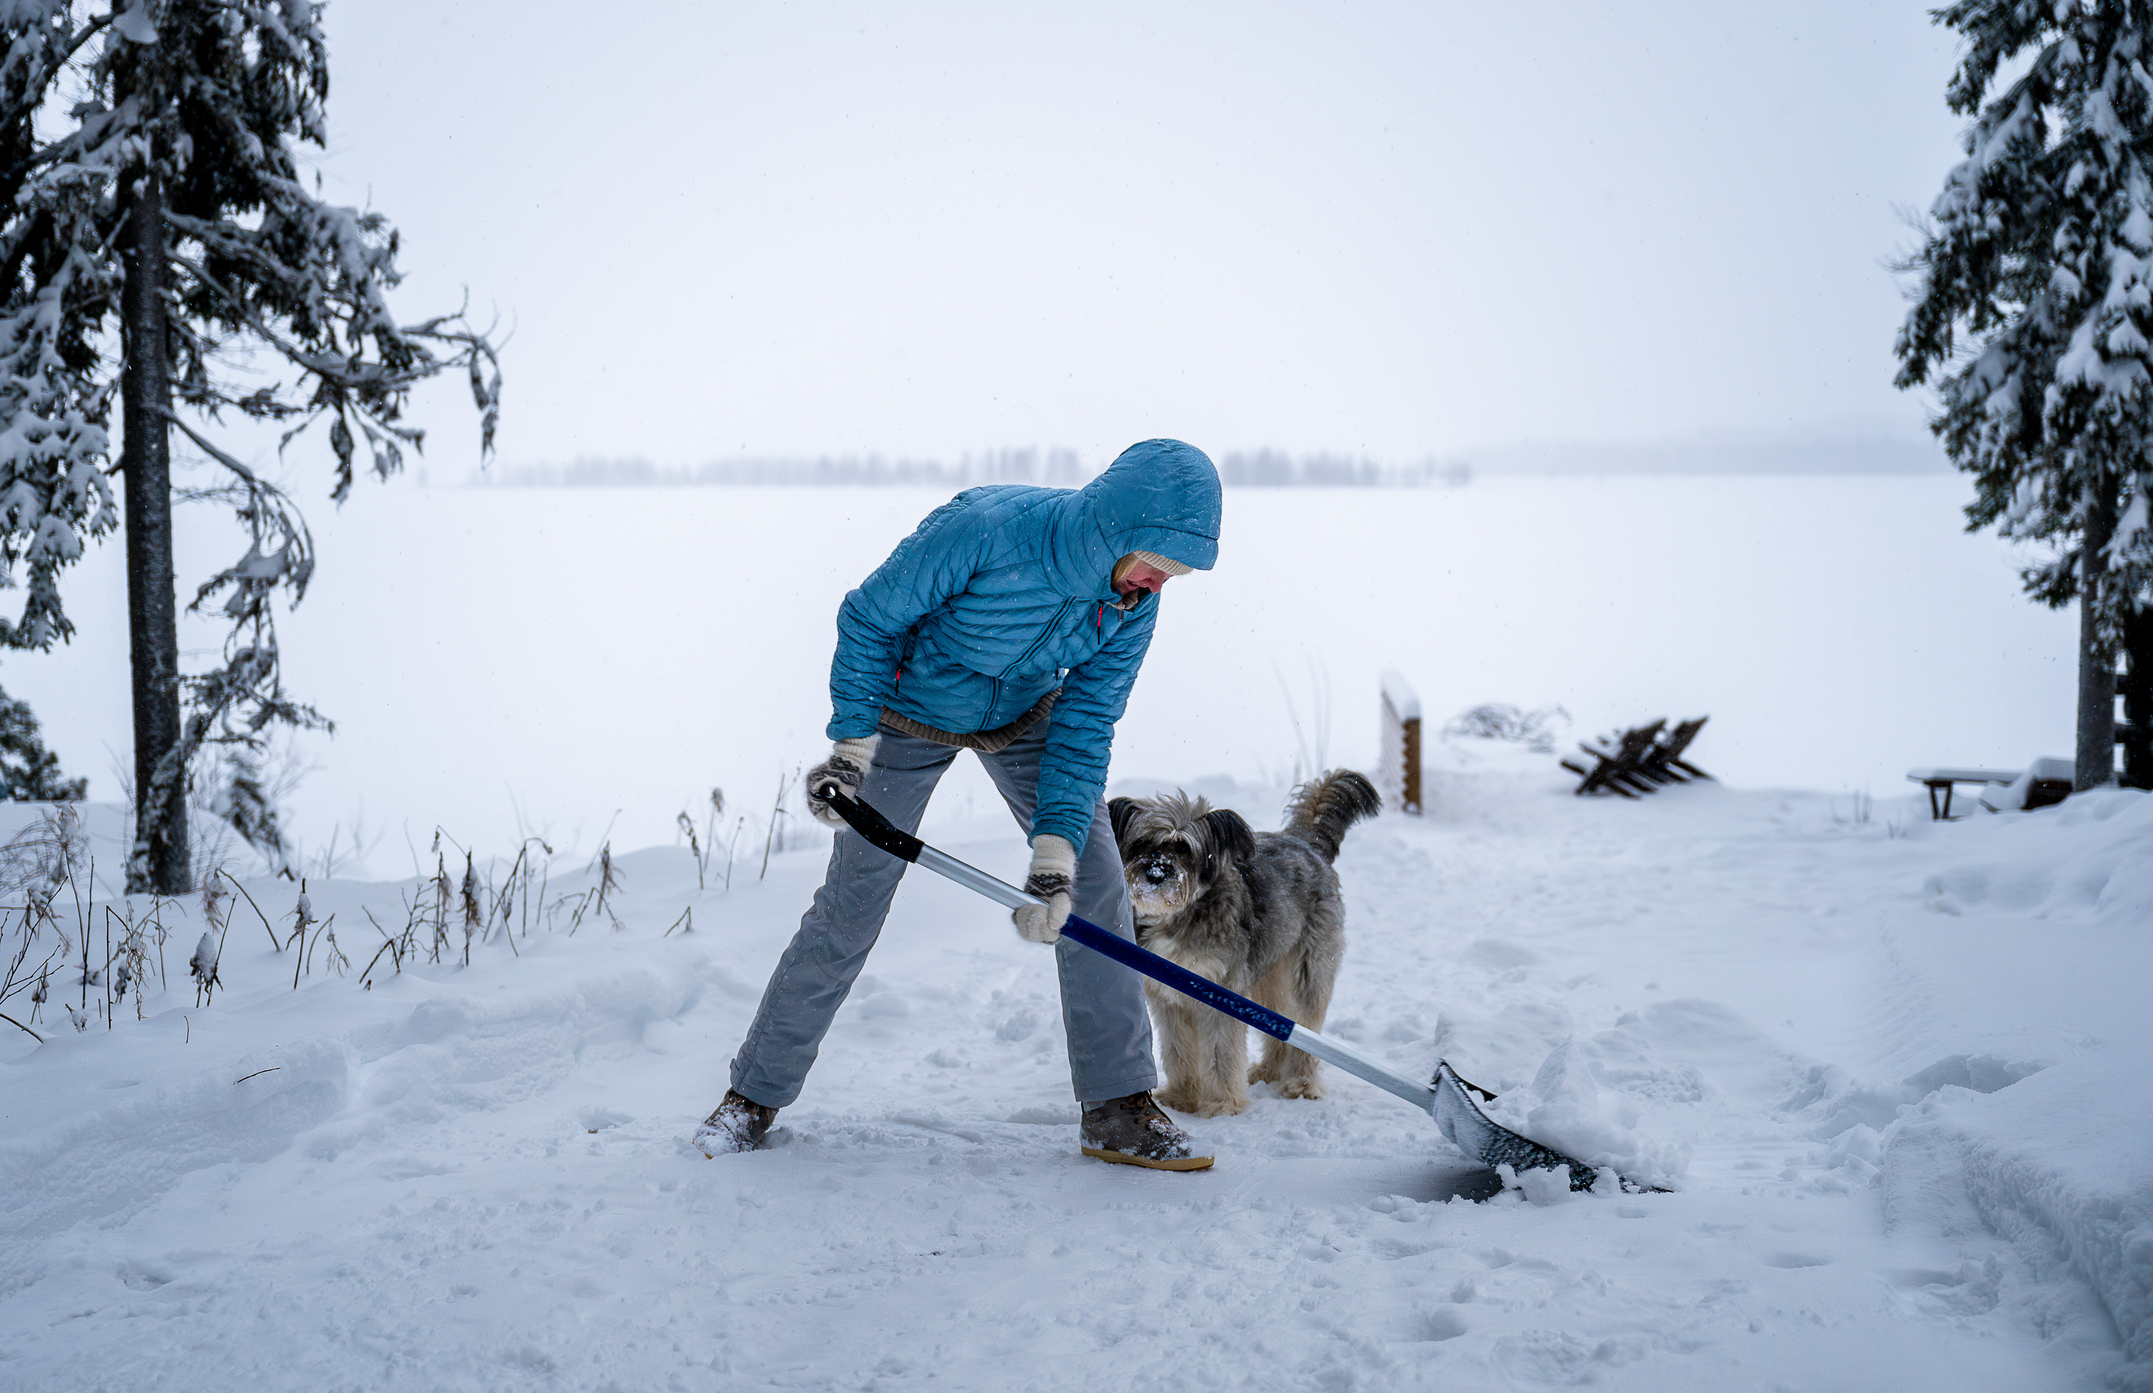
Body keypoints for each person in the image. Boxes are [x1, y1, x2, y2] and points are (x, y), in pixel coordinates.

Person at [696, 438, 1222, 1170]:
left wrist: (1055, 847)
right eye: (1154, 563)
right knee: (853, 899)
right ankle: (750, 1097)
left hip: (1022, 715)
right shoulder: (984, 527)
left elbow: (1087, 719)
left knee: (1095, 883)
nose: (1156, 585)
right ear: (1115, 527)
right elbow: (868, 617)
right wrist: (852, 747)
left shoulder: (1127, 602)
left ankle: (1116, 1104)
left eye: (1174, 576)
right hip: (907, 710)